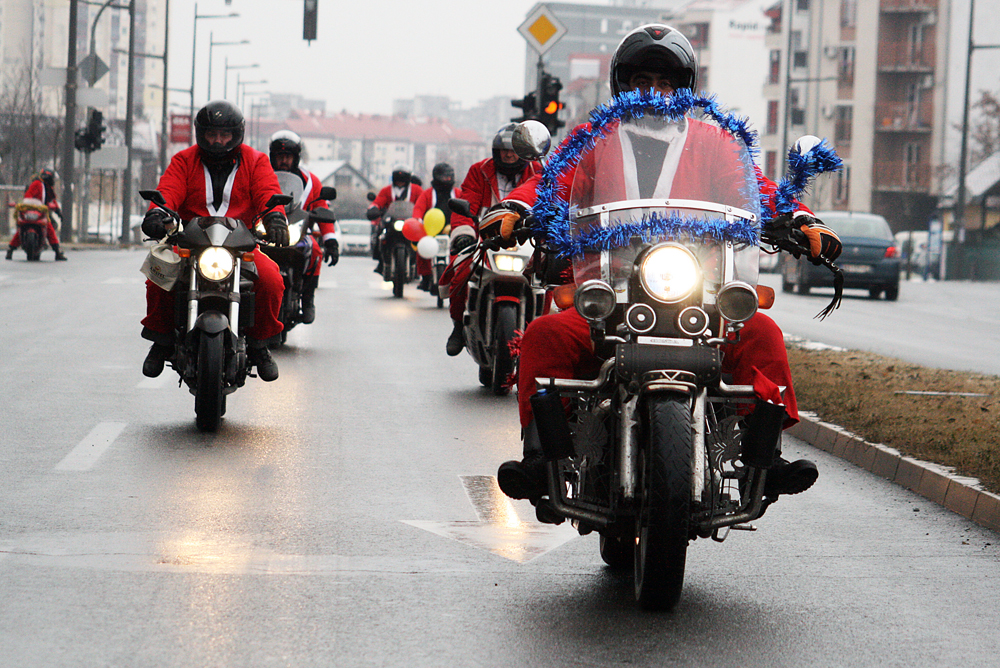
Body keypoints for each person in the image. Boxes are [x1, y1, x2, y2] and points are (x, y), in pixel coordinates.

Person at [490, 24, 843, 511]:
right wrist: (514, 207)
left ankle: (765, 458)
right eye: (641, 81)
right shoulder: (593, 141)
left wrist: (800, 219)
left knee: (762, 334)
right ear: (622, 86)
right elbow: (552, 182)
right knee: (546, 334)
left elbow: (754, 189)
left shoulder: (715, 141)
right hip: (610, 291)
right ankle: (539, 459)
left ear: (683, 89)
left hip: (699, 289)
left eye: (664, 82)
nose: (653, 92)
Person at [139, 100, 289, 382]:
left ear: (236, 134)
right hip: (190, 243)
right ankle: (161, 340)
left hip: (240, 245)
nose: (218, 141)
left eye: (224, 135)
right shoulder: (184, 160)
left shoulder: (256, 161)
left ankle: (260, 346)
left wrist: (275, 219)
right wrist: (157, 213)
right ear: (201, 134)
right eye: (211, 134)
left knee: (272, 280)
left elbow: (267, 192)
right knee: (158, 274)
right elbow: (168, 190)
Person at [441, 124, 543, 355]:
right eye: (503, 150)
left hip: (528, 241)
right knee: (461, 272)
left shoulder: (539, 171)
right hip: (486, 239)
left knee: (548, 281)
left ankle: (542, 334)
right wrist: (464, 234)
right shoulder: (479, 171)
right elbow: (467, 205)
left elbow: (552, 202)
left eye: (513, 150)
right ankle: (458, 325)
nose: (508, 155)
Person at [268, 130, 338, 324]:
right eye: (280, 156)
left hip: (298, 233)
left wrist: (331, 241)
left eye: (288, 157)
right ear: (272, 156)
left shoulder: (311, 181)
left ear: (296, 158)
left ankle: (308, 299)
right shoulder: (262, 174)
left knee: (315, 249)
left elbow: (321, 207)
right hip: (265, 232)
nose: (284, 161)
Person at [412, 162, 460, 292]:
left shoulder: (458, 193)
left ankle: (461, 276)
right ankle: (426, 277)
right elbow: (418, 209)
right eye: (444, 177)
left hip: (453, 229)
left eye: (449, 177)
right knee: (422, 248)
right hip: (431, 230)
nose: (447, 179)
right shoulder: (427, 194)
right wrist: (417, 220)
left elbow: (468, 207)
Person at [368, 167, 423, 274]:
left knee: (421, 239)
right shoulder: (386, 190)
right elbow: (378, 202)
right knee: (380, 235)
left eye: (402, 180)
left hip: (410, 222)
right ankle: (381, 261)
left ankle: (418, 265)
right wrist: (374, 209)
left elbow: (423, 202)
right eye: (398, 180)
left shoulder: (416, 190)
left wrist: (422, 213)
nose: (400, 182)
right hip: (391, 222)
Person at [7, 168, 66, 261]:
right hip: (31, 212)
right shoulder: (37, 184)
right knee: (22, 227)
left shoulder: (47, 187)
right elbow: (28, 197)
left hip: (41, 213)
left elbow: (52, 200)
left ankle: (57, 251)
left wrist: (58, 211)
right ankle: (10, 249)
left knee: (49, 227)